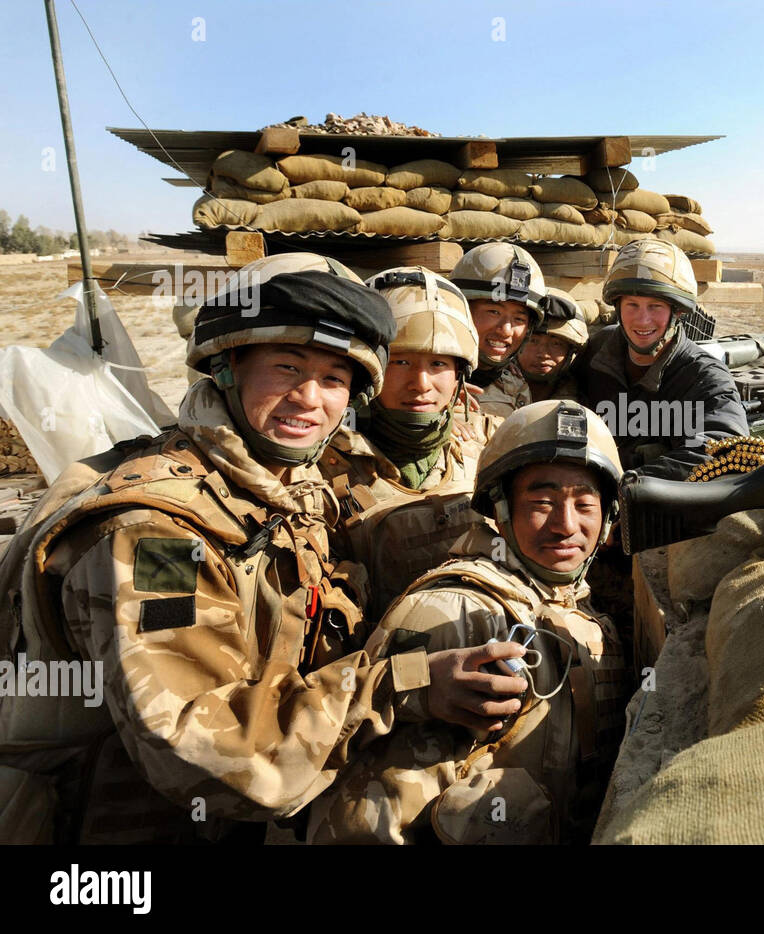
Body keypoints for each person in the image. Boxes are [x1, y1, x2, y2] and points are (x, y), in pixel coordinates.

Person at [0, 260, 460, 844]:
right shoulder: (156, 535)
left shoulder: (283, 484)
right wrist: (407, 684)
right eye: (286, 369)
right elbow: (196, 748)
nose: (308, 399)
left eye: (333, 379)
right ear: (226, 369)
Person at [308, 400, 630, 845]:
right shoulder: (453, 611)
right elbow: (363, 816)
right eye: (541, 501)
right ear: (500, 509)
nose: (565, 525)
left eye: (585, 504)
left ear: (609, 517)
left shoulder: (582, 611)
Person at [318, 266, 486, 618]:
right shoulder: (320, 461)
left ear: (460, 375)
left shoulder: (486, 444)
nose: (420, 383)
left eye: (438, 363)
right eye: (402, 361)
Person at [577, 239, 747, 480]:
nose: (642, 320)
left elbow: (724, 450)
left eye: (655, 306)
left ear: (677, 311)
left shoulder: (704, 377)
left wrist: (628, 487)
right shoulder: (598, 350)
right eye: (632, 305)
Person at [449, 243, 547, 418]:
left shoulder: (514, 384)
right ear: (461, 310)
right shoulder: (426, 381)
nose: (506, 330)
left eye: (519, 319)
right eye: (494, 312)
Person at [517, 286, 588, 403]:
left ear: (571, 351)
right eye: (533, 341)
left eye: (556, 344)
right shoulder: (485, 388)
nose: (543, 354)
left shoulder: (587, 395)